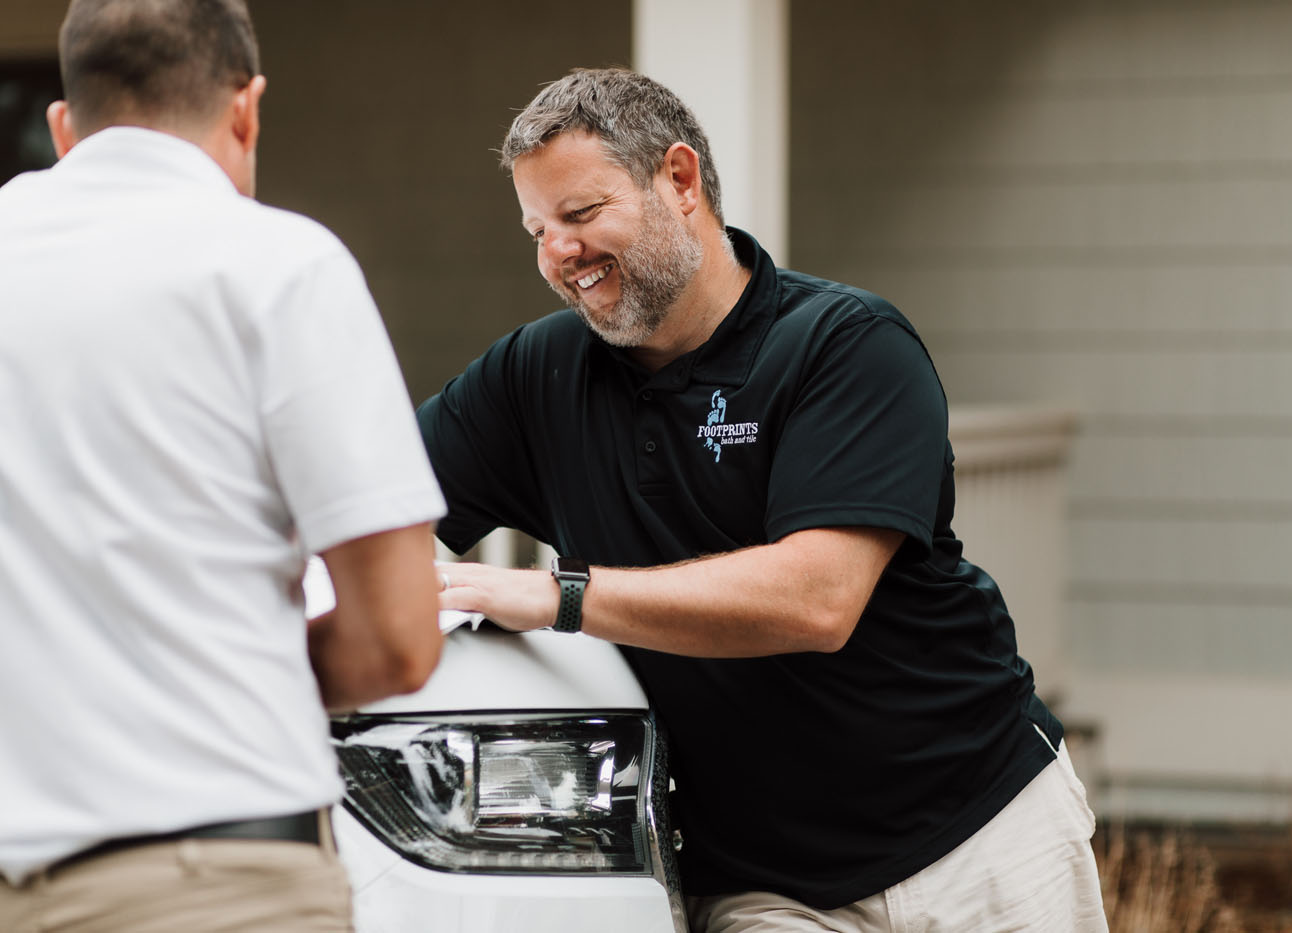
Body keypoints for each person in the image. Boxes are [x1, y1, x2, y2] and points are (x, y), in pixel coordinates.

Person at [420, 68, 1108, 931]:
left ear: (679, 181)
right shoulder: (534, 375)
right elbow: (362, 507)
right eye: (537, 228)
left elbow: (817, 599)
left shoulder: (844, 345)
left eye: (582, 214)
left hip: (979, 832)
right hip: (761, 882)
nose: (558, 251)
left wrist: (561, 596)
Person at [0, 1, 447, 930]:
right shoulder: (282, 266)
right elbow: (399, 637)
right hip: (222, 879)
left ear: (62, 125)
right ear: (247, 109)